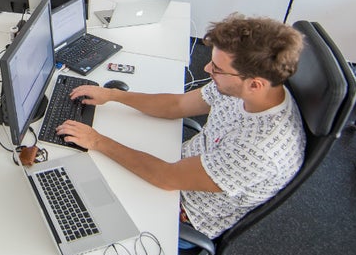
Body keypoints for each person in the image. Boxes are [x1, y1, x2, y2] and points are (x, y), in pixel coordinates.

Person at [58, 14, 306, 241]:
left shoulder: (258, 150)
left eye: (217, 69)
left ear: (255, 84)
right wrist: (112, 95)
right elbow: (176, 105)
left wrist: (97, 140)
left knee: (72, 193)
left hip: (181, 209)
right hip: (182, 163)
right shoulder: (244, 89)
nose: (208, 70)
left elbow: (167, 178)